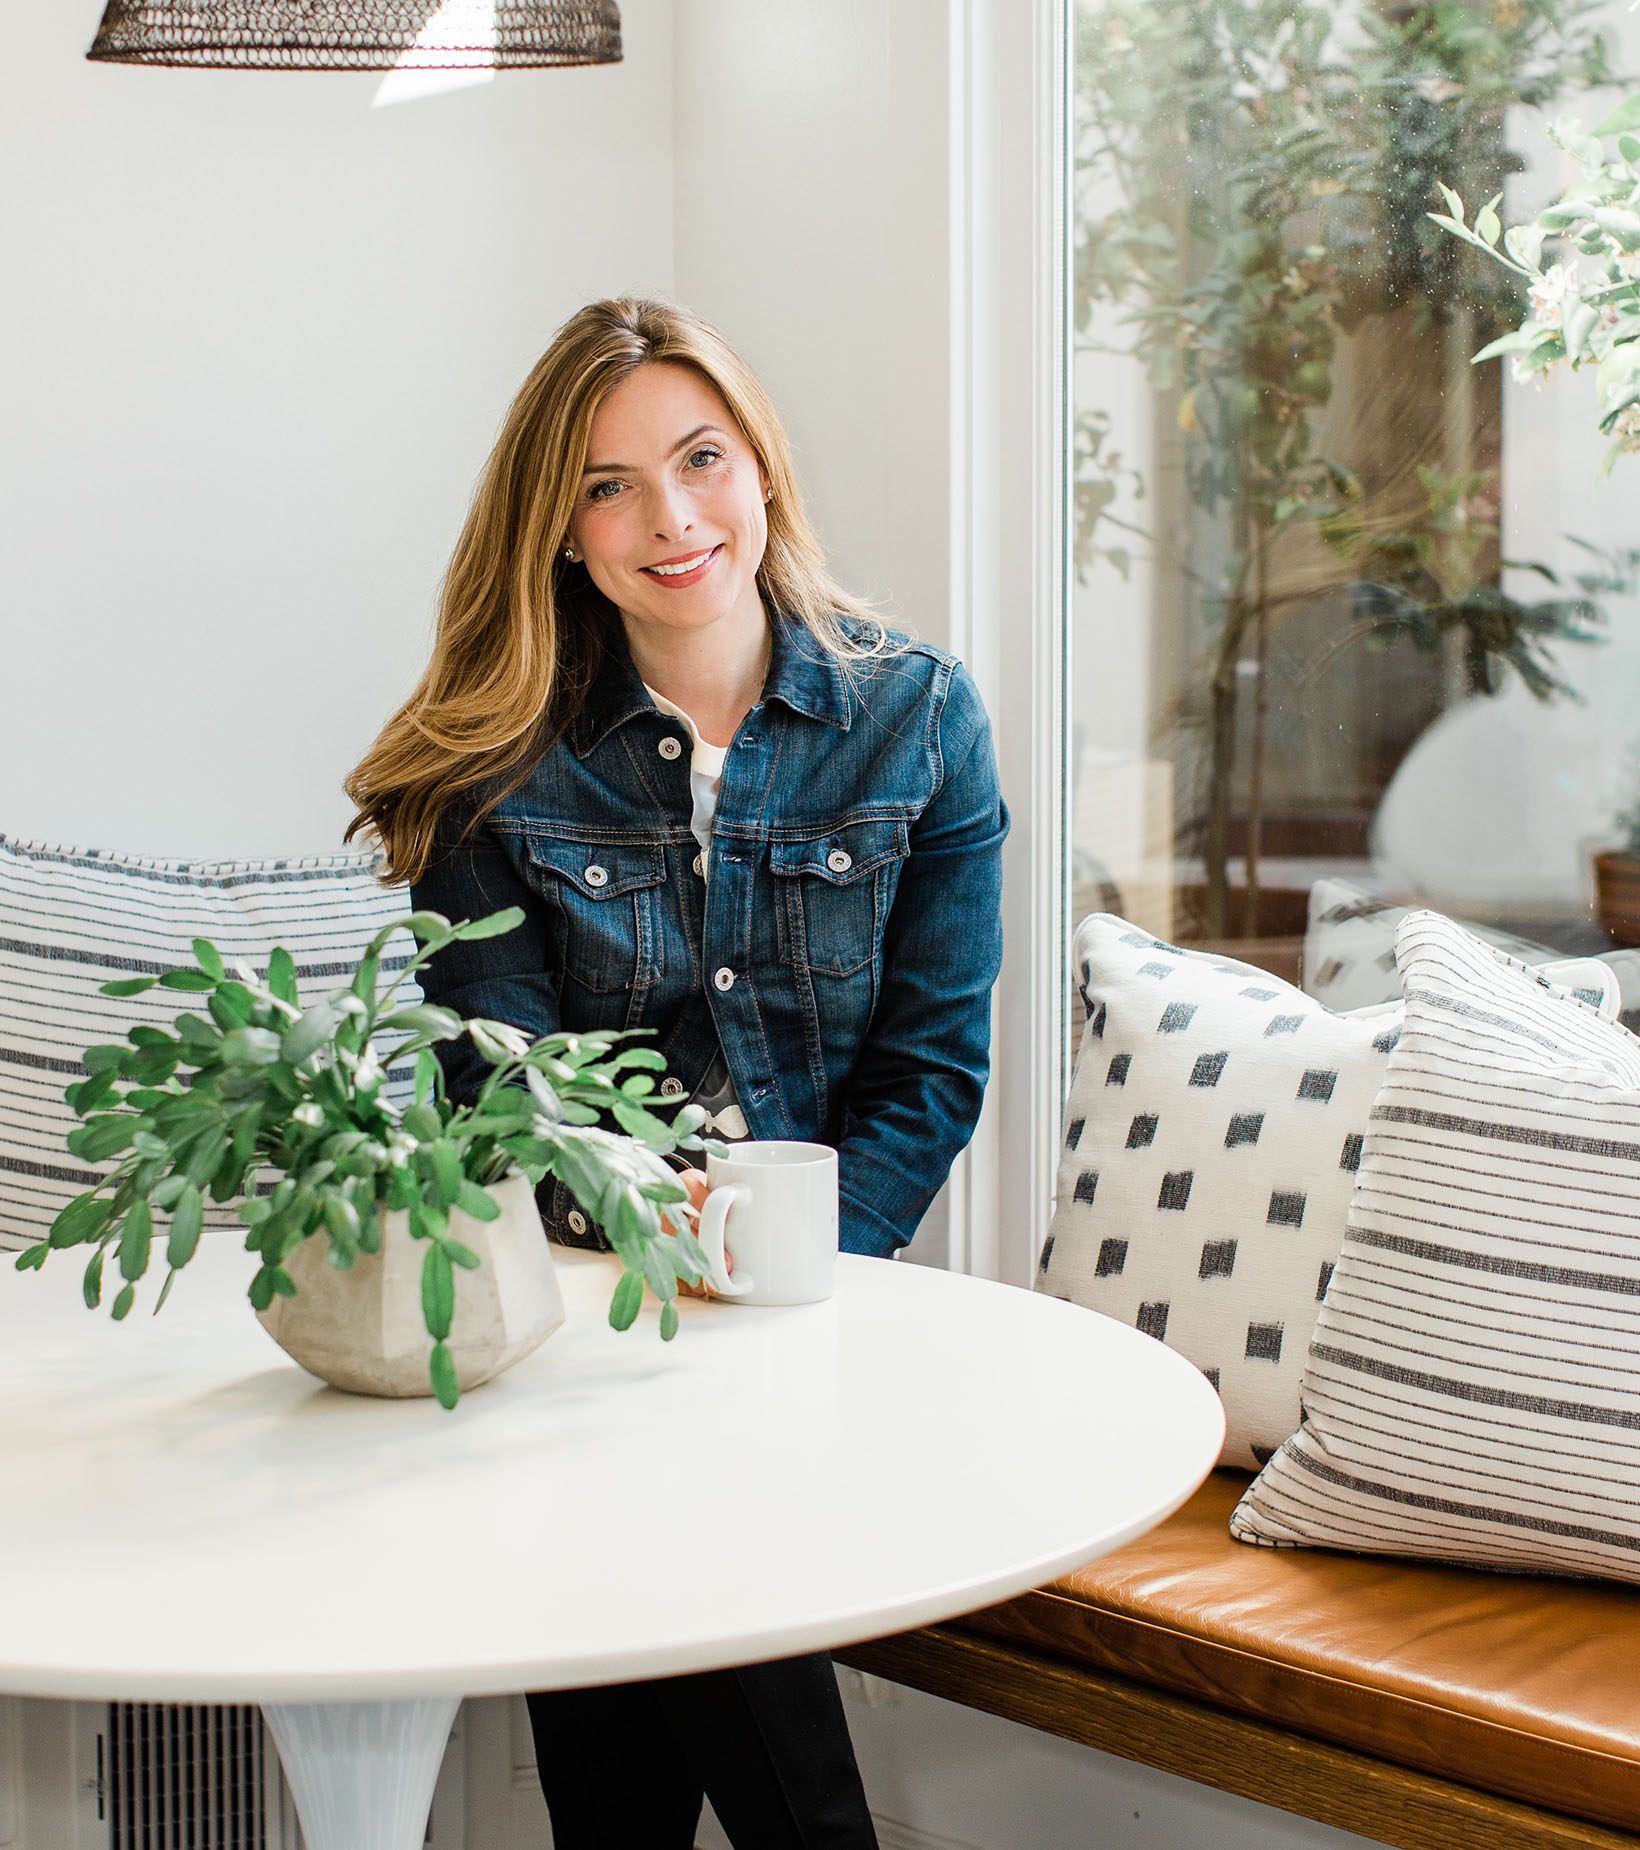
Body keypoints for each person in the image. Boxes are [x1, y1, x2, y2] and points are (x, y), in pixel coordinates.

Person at [344, 296, 1007, 1850]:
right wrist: (676, 1265)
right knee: (647, 1518)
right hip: (591, 1315)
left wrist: (779, 1276)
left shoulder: (919, 720)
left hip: (827, 1310)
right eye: (608, 484)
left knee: (629, 1736)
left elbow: (932, 1066)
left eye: (701, 458)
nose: (670, 517)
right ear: (561, 532)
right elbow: (506, 1093)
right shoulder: (492, 759)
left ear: (762, 468)